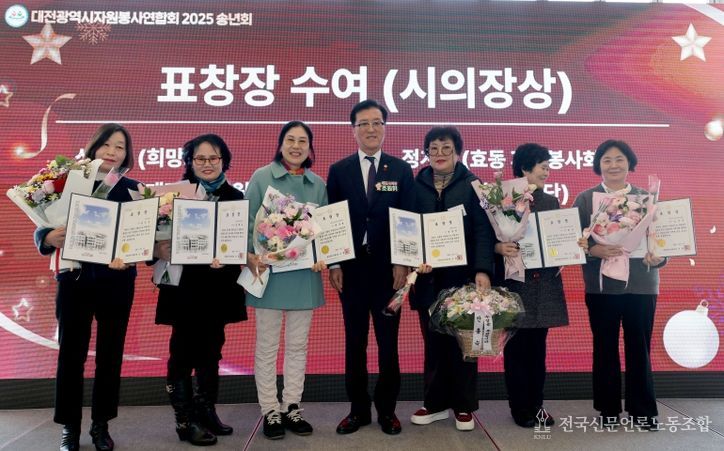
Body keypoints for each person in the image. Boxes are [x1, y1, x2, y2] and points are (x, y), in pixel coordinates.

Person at [34, 123, 139, 451]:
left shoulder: (134, 190)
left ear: (127, 154)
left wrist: (133, 255)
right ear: (94, 147)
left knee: (110, 356)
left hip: (117, 282)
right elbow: (42, 224)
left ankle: (100, 426)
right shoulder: (68, 183)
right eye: (106, 144)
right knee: (71, 356)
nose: (112, 151)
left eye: (119, 146)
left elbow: (144, 239)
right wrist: (47, 238)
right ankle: (70, 427)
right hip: (75, 280)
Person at [327, 99, 416, 435]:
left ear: (384, 128)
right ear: (353, 130)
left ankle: (387, 411)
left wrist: (402, 262)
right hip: (351, 270)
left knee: (388, 344)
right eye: (363, 123)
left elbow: (408, 218)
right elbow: (332, 220)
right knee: (355, 343)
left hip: (388, 272)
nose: (370, 129)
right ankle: (358, 410)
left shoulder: (401, 169)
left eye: (377, 122)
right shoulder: (339, 170)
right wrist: (334, 262)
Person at [153, 134, 247, 446]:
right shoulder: (173, 197)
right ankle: (184, 420)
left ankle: (206, 411)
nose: (207, 164)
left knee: (212, 351)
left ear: (224, 161)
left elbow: (239, 243)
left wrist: (229, 258)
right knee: (181, 353)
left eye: (214, 158)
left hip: (218, 288)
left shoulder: (235, 196)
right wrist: (159, 248)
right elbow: (150, 242)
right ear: (189, 162)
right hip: (184, 289)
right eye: (200, 159)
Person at [573, 139, 666, 430]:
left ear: (630, 163)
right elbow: (572, 242)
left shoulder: (647, 199)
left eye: (619, 159)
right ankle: (608, 409)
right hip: (602, 287)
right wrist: (593, 249)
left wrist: (658, 257)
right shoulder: (585, 199)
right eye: (607, 160)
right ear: (598, 165)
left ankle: (643, 411)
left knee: (640, 347)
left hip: (641, 284)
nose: (613, 165)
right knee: (605, 347)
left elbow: (662, 240)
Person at [408, 127, 495, 431]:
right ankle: (434, 404)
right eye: (433, 148)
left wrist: (482, 270)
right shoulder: (415, 185)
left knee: (463, 343)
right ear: (426, 153)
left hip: (462, 277)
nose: (440, 154)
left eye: (446, 148)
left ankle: (463, 405)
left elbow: (484, 231)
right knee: (433, 342)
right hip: (427, 278)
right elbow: (407, 228)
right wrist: (413, 260)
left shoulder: (473, 185)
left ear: (458, 152)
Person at [245, 121, 327, 440]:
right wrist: (251, 256)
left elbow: (324, 230)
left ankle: (292, 405)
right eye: (290, 140)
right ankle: (270, 409)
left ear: (310, 147)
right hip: (269, 275)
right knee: (267, 346)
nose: (296, 146)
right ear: (280, 144)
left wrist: (324, 256)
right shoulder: (261, 177)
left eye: (302, 141)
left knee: (298, 346)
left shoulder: (317, 184)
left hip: (304, 276)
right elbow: (248, 221)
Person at [494, 143, 571, 428]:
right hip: (515, 284)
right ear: (525, 168)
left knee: (538, 351)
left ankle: (537, 405)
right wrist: (498, 248)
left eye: (548, 167)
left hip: (543, 286)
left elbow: (556, 240)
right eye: (543, 166)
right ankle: (519, 407)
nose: (547, 172)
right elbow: (490, 237)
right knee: (516, 350)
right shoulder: (503, 199)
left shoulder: (551, 201)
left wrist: (568, 248)